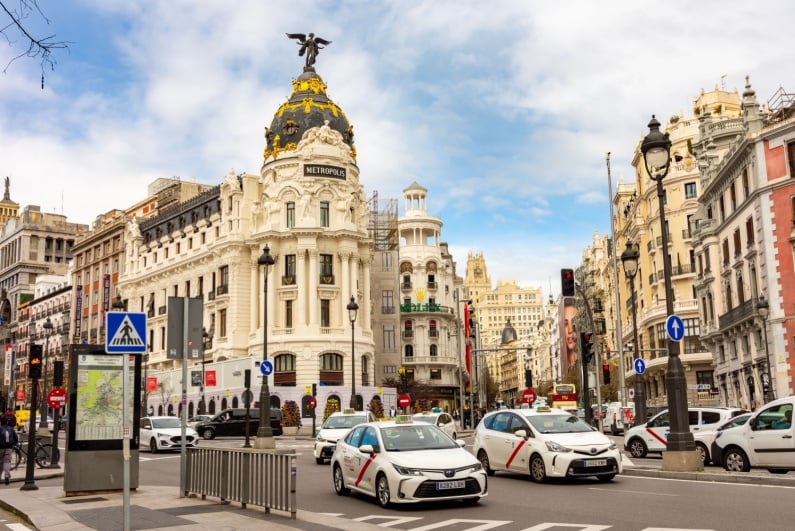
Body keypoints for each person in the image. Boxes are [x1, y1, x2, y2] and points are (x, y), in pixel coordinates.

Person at [0, 414, 18, 485]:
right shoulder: (11, 428)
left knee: (1, 461)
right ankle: (7, 475)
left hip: (1, 447)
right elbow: (16, 438)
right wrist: (15, 443)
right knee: (7, 461)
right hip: (9, 447)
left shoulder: (0, 429)